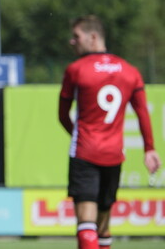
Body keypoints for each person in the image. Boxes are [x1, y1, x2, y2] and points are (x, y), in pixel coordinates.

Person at [58, 15, 161, 249]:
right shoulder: (130, 71)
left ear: (93, 37)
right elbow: (142, 111)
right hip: (114, 154)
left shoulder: (75, 70)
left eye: (76, 37)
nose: (72, 42)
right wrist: (149, 148)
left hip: (85, 153)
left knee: (86, 224)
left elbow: (62, 115)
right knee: (103, 225)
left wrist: (78, 135)